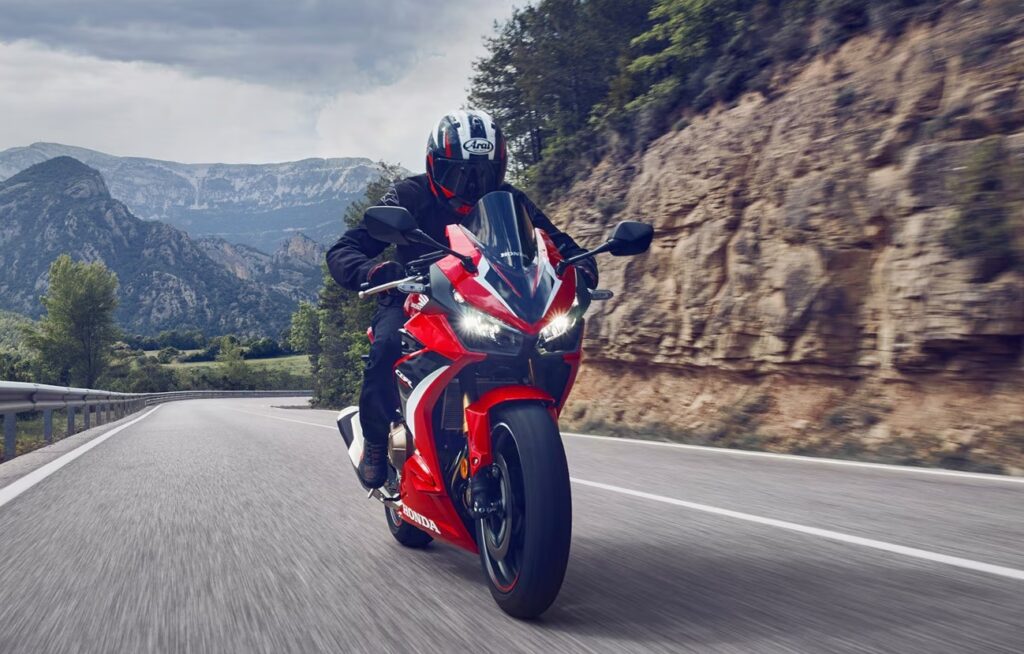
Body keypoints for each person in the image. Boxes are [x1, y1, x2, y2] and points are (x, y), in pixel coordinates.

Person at [325, 109, 598, 489]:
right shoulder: (408, 195)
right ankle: (374, 440)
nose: (471, 185)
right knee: (386, 346)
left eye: (484, 175)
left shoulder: (511, 199)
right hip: (416, 298)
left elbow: (556, 242)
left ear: (499, 171)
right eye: (459, 174)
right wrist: (375, 272)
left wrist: (581, 265)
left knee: (546, 341)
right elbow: (345, 249)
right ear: (434, 166)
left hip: (489, 302)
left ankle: (520, 444)